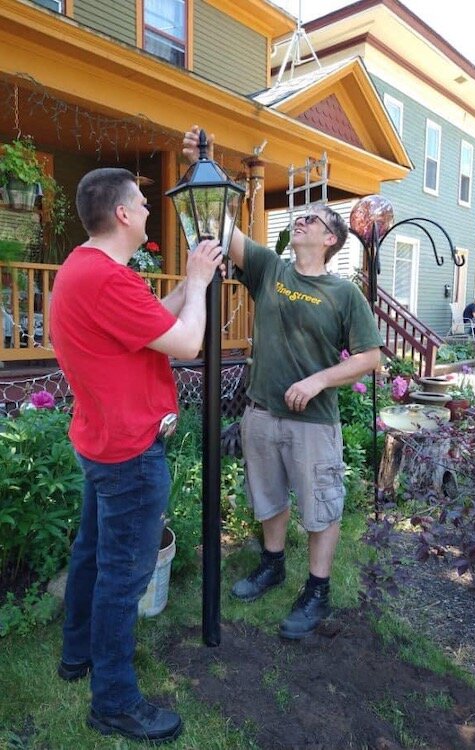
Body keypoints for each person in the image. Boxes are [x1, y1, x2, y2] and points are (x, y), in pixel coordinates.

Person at [183, 126, 382, 640]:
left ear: (330, 238)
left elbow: (370, 358)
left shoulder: (344, 294)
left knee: (319, 506)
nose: (300, 221)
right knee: (267, 496)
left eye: (311, 219)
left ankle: (317, 589)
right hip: (262, 412)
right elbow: (223, 228)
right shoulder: (271, 268)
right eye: (299, 217)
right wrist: (202, 165)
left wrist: (318, 380)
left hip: (312, 422)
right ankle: (272, 564)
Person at [50, 167, 223, 743]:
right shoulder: (107, 280)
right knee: (122, 580)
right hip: (128, 453)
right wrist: (197, 281)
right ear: (122, 214)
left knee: (93, 554)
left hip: (100, 442)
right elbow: (186, 341)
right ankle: (115, 702)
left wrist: (187, 285)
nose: (150, 210)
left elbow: (153, 320)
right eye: (143, 203)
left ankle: (78, 657)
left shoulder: (86, 269)